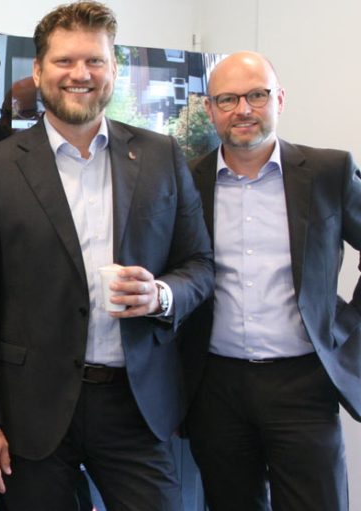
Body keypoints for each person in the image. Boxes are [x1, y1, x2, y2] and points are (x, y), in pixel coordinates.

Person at [0, 2, 214, 509]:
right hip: (31, 410)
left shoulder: (162, 157)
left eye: (95, 61)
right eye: (65, 61)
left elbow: (200, 265)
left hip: (136, 405)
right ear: (38, 70)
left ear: (114, 69)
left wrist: (161, 294)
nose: (80, 74)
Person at [181, 51, 361, 511]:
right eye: (228, 99)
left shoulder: (328, 172)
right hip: (214, 386)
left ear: (278, 99)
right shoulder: (185, 181)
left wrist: (349, 324)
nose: (243, 109)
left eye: (257, 95)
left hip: (302, 382)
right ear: (210, 109)